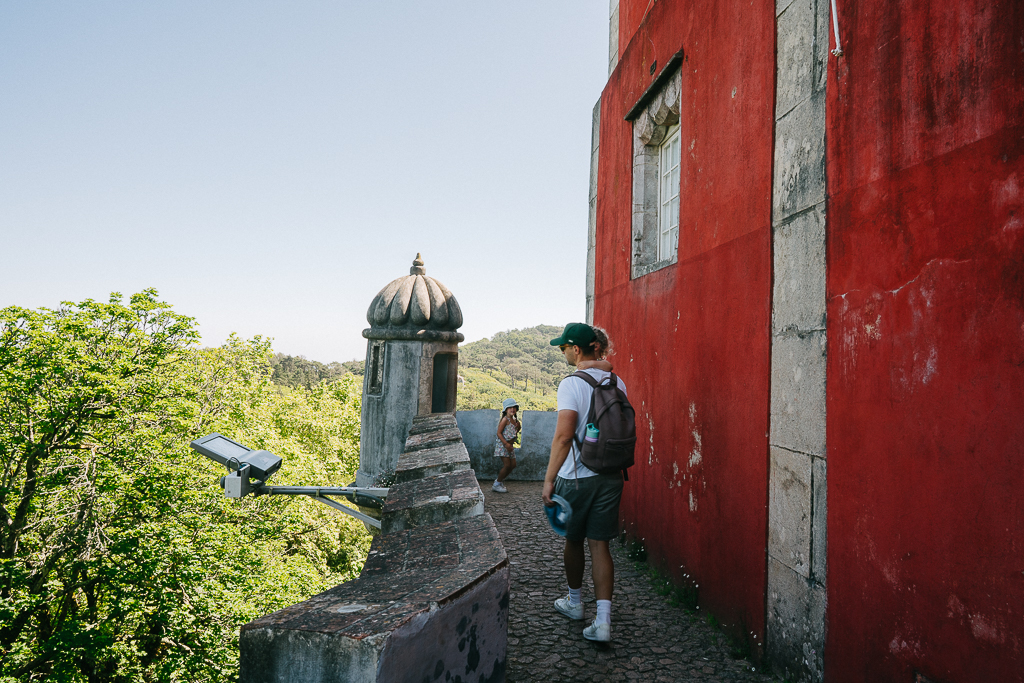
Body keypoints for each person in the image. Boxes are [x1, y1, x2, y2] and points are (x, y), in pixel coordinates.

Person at [543, 322, 624, 642]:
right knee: (600, 545)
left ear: (576, 349)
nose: (562, 352)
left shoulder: (571, 384)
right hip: (611, 475)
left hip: (577, 478)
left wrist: (549, 480)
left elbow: (564, 436)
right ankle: (603, 621)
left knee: (573, 540)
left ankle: (575, 603)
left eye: (563, 347)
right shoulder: (617, 382)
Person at [492, 398, 521, 493]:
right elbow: (499, 433)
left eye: (514, 407)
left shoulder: (514, 420)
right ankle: (497, 484)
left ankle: (499, 481)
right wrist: (506, 444)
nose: (512, 409)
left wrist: (518, 427)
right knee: (507, 465)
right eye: (510, 408)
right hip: (503, 445)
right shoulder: (505, 420)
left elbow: (513, 432)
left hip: (510, 446)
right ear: (505, 409)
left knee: (513, 465)